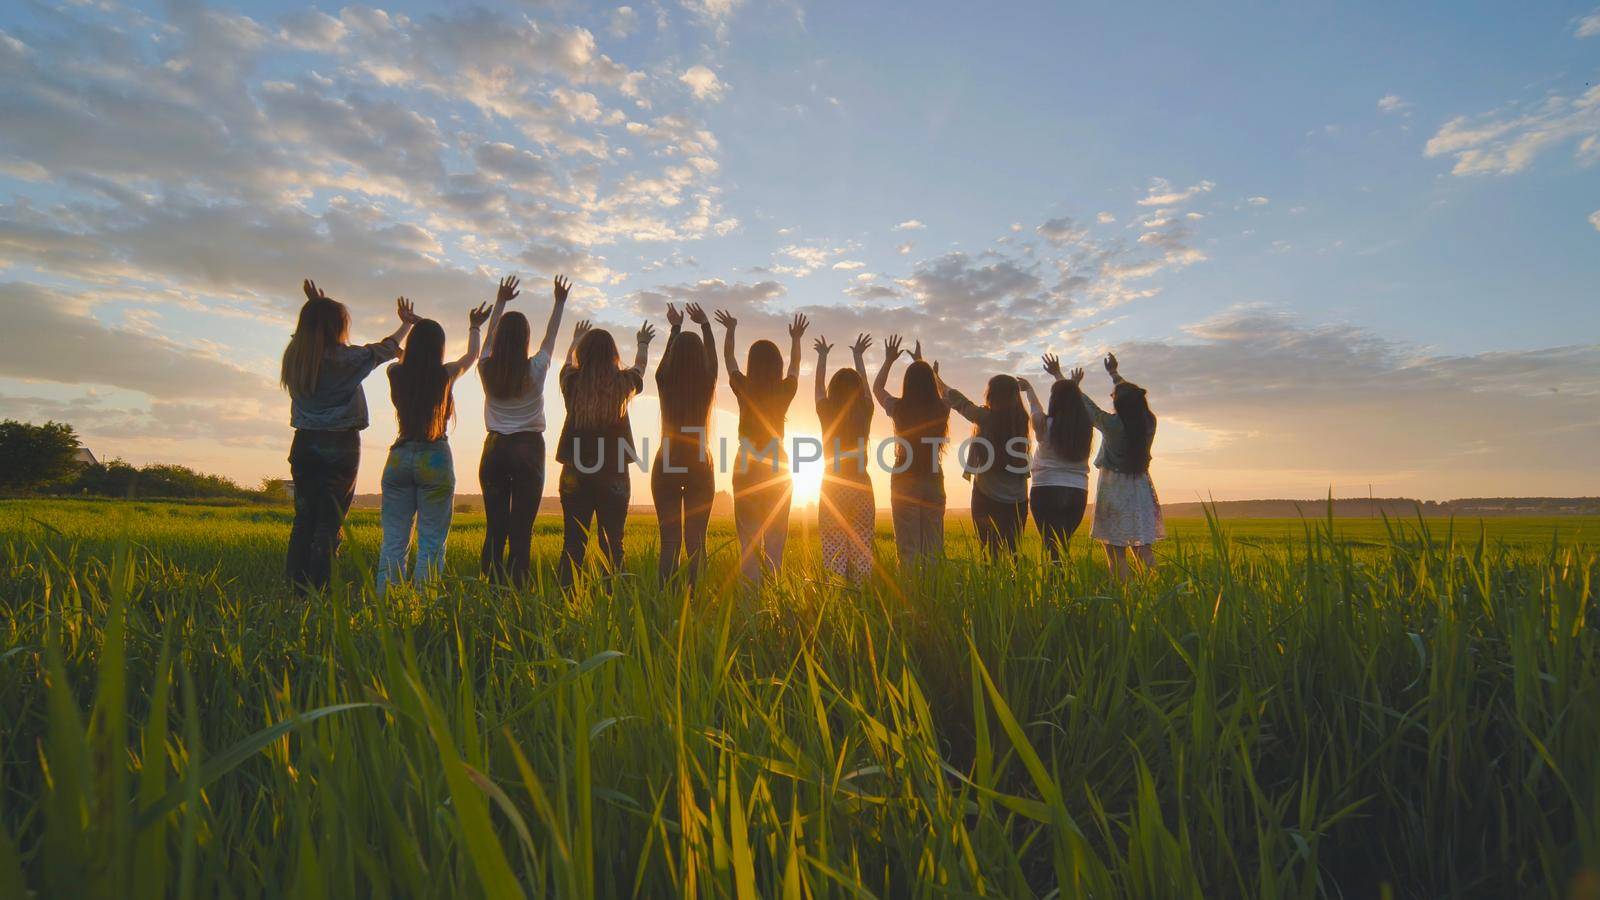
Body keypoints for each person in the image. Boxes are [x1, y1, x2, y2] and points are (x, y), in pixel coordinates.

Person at [280, 280, 416, 593]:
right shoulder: (346, 360)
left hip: (304, 443)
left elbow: (307, 336)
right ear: (336, 327)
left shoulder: (294, 356)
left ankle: (295, 590)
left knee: (304, 520)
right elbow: (384, 350)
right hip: (339, 445)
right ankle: (320, 592)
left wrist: (316, 308)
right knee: (329, 523)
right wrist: (406, 325)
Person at [377, 302, 490, 593]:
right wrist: (475, 326)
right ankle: (422, 606)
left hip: (399, 457)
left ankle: (385, 608)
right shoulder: (445, 375)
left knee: (393, 542)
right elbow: (472, 355)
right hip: (435, 457)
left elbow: (400, 354)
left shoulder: (395, 374)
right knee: (431, 543)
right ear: (440, 348)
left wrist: (412, 324)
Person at [477, 274, 569, 586]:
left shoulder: (486, 367)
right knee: (521, 531)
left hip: (494, 449)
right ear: (525, 339)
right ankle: (516, 593)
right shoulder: (537, 368)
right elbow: (551, 336)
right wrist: (559, 302)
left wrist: (500, 301)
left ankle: (489, 589)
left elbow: (488, 338)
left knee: (495, 529)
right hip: (529, 450)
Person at [554, 318, 655, 587]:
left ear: (582, 354)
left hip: (576, 473)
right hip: (614, 475)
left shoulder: (571, 382)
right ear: (613, 355)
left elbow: (566, 363)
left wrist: (575, 339)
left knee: (573, 546)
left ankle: (565, 604)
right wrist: (642, 342)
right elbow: (641, 367)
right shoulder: (624, 383)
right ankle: (613, 605)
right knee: (613, 546)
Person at [714, 310, 806, 584]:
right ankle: (774, 605)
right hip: (778, 467)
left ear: (751, 364)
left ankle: (749, 608)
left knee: (749, 547)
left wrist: (730, 329)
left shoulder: (744, 386)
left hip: (746, 467)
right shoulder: (784, 390)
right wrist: (796, 339)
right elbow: (795, 366)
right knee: (775, 545)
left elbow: (728, 359)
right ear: (776, 366)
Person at [652, 302, 718, 588]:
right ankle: (697, 602)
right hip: (699, 462)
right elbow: (713, 360)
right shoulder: (707, 380)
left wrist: (675, 328)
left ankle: (665, 601)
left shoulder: (664, 379)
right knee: (696, 543)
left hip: (667, 459)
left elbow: (666, 362)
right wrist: (705, 325)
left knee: (669, 542)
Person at [1083, 352, 1164, 580]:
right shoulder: (1149, 422)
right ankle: (1155, 594)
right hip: (1141, 488)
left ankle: (1123, 599)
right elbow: (1132, 398)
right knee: (1144, 550)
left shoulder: (1112, 425)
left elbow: (1089, 408)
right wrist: (1114, 374)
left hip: (1113, 488)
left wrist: (1066, 381)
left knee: (1115, 554)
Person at [872, 335, 950, 563]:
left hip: (904, 479)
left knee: (908, 548)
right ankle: (933, 595)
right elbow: (948, 394)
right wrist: (929, 370)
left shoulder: (898, 408)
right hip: (933, 479)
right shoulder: (941, 408)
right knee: (933, 548)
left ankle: (911, 593)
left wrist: (888, 361)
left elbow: (877, 388)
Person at [939, 369, 1032, 558]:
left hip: (987, 496)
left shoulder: (986, 417)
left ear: (992, 395)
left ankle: (992, 586)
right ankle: (1014, 586)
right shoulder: (1022, 420)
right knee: (1013, 552)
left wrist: (935, 378)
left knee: (989, 553)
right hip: (1018, 500)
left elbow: (958, 401)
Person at [813, 332, 876, 580]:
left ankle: (838, 592)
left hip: (832, 483)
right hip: (861, 482)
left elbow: (818, 387)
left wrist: (822, 357)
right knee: (862, 541)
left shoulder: (826, 410)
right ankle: (862, 591)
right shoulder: (865, 409)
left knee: (832, 541)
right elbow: (867, 389)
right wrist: (858, 357)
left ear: (833, 391)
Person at [1021, 354, 1094, 563]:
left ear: (1054, 400)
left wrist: (1029, 389)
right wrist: (1061, 377)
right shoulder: (1085, 428)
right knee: (1062, 546)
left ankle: (1054, 590)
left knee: (1050, 546)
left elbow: (1035, 409)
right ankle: (1063, 587)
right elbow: (1072, 399)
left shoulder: (1045, 424)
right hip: (1077, 492)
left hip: (1046, 489)